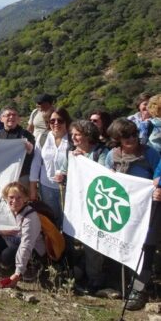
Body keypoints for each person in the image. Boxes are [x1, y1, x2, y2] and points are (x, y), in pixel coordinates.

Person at [101, 118, 161, 310]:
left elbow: (159, 173)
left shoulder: (149, 153)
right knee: (126, 245)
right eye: (126, 136)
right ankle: (126, 282)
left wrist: (158, 186)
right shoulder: (112, 156)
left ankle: (139, 289)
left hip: (149, 210)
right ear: (117, 138)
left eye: (134, 134)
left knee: (146, 248)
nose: (132, 138)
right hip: (125, 211)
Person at [65, 120, 108, 294]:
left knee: (93, 242)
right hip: (79, 202)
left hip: (97, 204)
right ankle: (83, 272)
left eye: (77, 134)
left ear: (87, 135)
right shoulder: (73, 153)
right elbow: (65, 171)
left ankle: (95, 281)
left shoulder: (101, 153)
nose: (73, 137)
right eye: (72, 134)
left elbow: (103, 173)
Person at [0, 182, 46, 288]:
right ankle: (9, 259)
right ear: (6, 197)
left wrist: (18, 273)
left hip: (33, 249)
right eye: (11, 197)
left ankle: (29, 266)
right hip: (12, 240)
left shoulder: (30, 217)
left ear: (25, 199)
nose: (14, 201)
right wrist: (2, 231)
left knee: (7, 255)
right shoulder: (7, 209)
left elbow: (26, 245)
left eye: (19, 198)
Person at [29, 107, 72, 227]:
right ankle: (54, 244)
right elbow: (36, 162)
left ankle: (67, 244)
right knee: (51, 218)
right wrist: (33, 188)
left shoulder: (72, 139)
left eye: (60, 120)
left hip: (67, 187)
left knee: (68, 219)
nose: (56, 123)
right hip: (46, 186)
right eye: (52, 121)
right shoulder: (43, 138)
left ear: (66, 122)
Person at [0, 107, 36, 187]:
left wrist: (30, 151)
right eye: (8, 115)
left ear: (18, 119)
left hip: (21, 177)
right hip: (3, 177)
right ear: (1, 119)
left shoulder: (27, 135)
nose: (11, 117)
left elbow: (35, 157)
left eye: (14, 115)